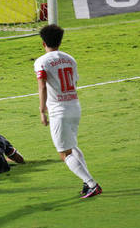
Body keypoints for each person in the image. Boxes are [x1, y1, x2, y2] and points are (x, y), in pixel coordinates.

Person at [35, 24, 101, 198]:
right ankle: (87, 184)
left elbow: (42, 85)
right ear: (60, 42)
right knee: (72, 146)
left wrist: (42, 110)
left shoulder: (41, 62)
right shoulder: (70, 59)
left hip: (59, 111)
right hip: (74, 107)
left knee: (64, 153)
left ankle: (92, 184)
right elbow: (75, 82)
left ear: (43, 43)